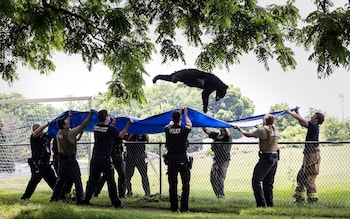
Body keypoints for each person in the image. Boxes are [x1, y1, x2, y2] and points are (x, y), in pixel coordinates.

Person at [84, 110, 132, 208]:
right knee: (111, 181)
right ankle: (116, 203)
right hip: (105, 159)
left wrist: (112, 123)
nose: (109, 116)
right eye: (108, 115)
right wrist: (128, 125)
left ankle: (86, 200)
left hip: (95, 158)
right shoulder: (109, 129)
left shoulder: (96, 127)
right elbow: (121, 135)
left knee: (92, 180)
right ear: (106, 118)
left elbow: (107, 130)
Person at [234, 113, 279, 207]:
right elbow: (264, 133)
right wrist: (259, 127)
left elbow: (247, 134)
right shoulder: (274, 129)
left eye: (263, 119)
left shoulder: (262, 130)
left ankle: (261, 204)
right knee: (268, 182)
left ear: (265, 121)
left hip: (266, 157)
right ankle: (269, 204)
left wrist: (239, 129)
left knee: (256, 180)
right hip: (275, 157)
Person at [50, 109, 93, 205]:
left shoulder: (59, 134)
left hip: (61, 160)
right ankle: (80, 200)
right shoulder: (70, 133)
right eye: (66, 122)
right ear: (64, 126)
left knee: (60, 180)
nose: (68, 123)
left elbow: (72, 136)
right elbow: (83, 126)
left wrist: (69, 116)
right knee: (77, 180)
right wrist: (90, 115)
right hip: (70, 160)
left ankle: (54, 198)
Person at [286, 107, 324, 203]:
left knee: (309, 178)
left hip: (312, 155)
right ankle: (299, 198)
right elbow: (302, 122)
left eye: (313, 116)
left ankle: (313, 199)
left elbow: (301, 120)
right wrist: (297, 112)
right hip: (308, 155)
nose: (311, 117)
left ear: (317, 120)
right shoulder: (312, 126)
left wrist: (289, 112)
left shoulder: (314, 127)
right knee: (301, 176)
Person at [164, 108, 192, 212]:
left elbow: (169, 124)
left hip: (171, 160)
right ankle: (184, 208)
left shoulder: (167, 129)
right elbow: (189, 123)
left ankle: (174, 208)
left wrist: (178, 114)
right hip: (182, 160)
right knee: (185, 184)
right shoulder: (184, 130)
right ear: (180, 119)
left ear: (172, 119)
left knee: (172, 185)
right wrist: (185, 114)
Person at [21, 122, 57, 200]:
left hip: (46, 165)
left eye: (39, 127)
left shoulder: (46, 137)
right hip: (38, 165)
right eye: (37, 127)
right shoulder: (34, 138)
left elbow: (53, 134)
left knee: (54, 181)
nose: (39, 129)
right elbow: (36, 133)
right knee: (33, 182)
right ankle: (25, 198)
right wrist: (46, 125)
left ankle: (60, 196)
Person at [94, 117, 127, 198]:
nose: (115, 122)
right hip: (111, 155)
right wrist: (128, 125)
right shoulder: (109, 130)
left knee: (122, 174)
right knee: (106, 176)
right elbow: (119, 135)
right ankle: (96, 192)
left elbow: (124, 136)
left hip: (118, 154)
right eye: (113, 121)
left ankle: (122, 194)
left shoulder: (116, 130)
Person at [202, 127, 232, 199]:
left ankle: (221, 195)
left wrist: (223, 125)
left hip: (224, 160)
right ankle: (218, 195)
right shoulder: (216, 135)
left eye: (223, 128)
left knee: (220, 178)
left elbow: (227, 133)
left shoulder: (227, 137)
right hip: (216, 160)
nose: (222, 129)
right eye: (221, 128)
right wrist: (204, 122)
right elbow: (206, 130)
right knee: (212, 178)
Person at [124, 133, 151, 197]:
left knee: (144, 175)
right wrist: (132, 132)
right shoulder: (129, 131)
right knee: (127, 176)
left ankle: (147, 193)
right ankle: (129, 192)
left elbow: (148, 140)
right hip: (130, 157)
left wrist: (143, 131)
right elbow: (126, 139)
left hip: (140, 156)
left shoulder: (141, 133)